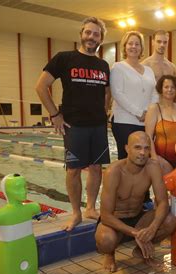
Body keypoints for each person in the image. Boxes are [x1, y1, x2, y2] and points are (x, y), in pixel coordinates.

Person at [35, 17, 110, 231]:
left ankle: (91, 208)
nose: (91, 37)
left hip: (97, 125)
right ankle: (76, 211)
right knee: (74, 170)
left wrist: (104, 114)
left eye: (96, 34)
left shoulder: (103, 65)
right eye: (88, 32)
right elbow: (41, 86)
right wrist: (55, 114)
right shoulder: (64, 58)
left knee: (96, 168)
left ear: (101, 39)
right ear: (81, 34)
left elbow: (106, 93)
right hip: (74, 125)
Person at [95, 131, 176, 272]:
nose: (142, 153)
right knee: (105, 240)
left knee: (170, 221)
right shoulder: (113, 171)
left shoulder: (153, 167)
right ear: (127, 148)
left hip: (138, 217)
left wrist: (152, 228)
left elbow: (163, 202)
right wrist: (135, 233)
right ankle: (110, 254)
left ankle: (140, 251)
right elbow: (106, 215)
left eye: (146, 148)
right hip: (115, 220)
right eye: (137, 147)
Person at [111, 31, 158, 159]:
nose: (133, 47)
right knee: (127, 160)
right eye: (130, 43)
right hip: (124, 121)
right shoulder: (118, 67)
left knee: (144, 159)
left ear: (141, 48)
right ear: (125, 47)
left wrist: (149, 113)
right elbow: (117, 93)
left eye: (137, 44)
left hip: (146, 122)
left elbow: (154, 92)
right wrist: (138, 112)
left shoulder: (148, 70)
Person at [145, 75, 176, 174]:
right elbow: (148, 136)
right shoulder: (154, 109)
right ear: (160, 89)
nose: (170, 90)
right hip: (162, 159)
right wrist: (154, 158)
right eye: (166, 87)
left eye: (173, 87)